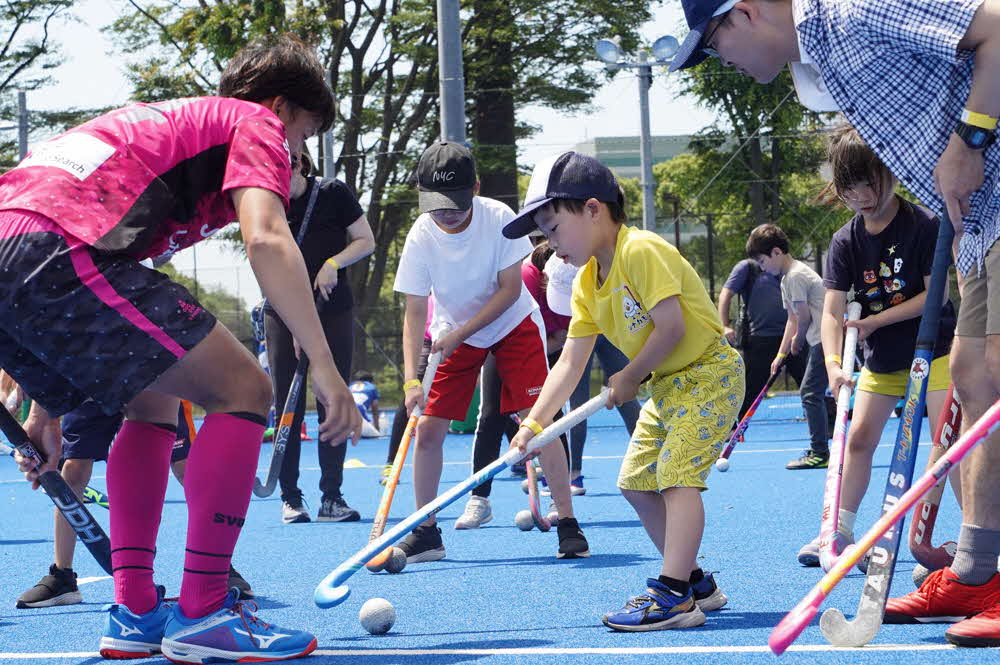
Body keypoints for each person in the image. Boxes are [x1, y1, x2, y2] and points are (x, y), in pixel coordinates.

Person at [1, 34, 360, 662]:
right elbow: (268, 240)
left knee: (152, 403)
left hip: (22, 244)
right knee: (245, 387)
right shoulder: (254, 121)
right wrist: (323, 364)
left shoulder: (173, 130)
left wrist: (44, 409)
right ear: (279, 107)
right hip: (53, 248)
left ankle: (136, 611)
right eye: (302, 136)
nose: (296, 155)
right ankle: (204, 611)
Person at [673, 0, 1000, 646]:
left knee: (989, 376)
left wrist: (972, 138)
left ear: (741, 14)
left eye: (714, 46)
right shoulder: (821, 61)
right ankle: (976, 568)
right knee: (973, 377)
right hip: (980, 222)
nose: (723, 64)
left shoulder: (851, 10)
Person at [505, 151, 744, 632]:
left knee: (677, 476)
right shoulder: (586, 284)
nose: (550, 246)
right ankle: (696, 582)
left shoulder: (641, 250)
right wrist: (534, 425)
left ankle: (673, 594)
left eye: (553, 230)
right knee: (635, 483)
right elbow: (570, 362)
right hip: (669, 388)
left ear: (593, 209)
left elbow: (671, 327)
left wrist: (630, 374)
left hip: (709, 374)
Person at [393, 140, 589, 562]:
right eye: (436, 203)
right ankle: (427, 532)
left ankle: (568, 521)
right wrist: (411, 379)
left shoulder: (499, 218)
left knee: (540, 422)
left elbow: (509, 291)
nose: (446, 212)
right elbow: (413, 310)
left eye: (456, 202)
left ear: (476, 187)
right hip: (453, 334)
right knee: (427, 430)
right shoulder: (421, 234)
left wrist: (461, 333)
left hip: (511, 324)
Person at [796, 124, 960, 566]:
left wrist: (872, 321)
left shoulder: (924, 224)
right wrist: (833, 365)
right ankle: (838, 530)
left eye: (871, 181)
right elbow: (831, 313)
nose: (863, 195)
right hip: (882, 361)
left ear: (890, 172)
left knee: (949, 444)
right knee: (858, 440)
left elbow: (936, 297)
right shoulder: (845, 241)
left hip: (937, 354)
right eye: (850, 187)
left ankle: (975, 541)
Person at [13, 398, 254, 608]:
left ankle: (218, 569)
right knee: (73, 470)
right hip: (91, 371)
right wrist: (40, 415)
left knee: (185, 468)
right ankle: (62, 576)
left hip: (147, 367)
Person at [262, 148, 374, 525]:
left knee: (333, 398)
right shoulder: (264, 202)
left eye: (285, 168)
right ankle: (290, 497)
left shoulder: (332, 193)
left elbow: (364, 239)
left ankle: (332, 496)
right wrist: (296, 323)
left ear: (301, 164)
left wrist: (332, 264)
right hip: (281, 311)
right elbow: (265, 265)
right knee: (287, 405)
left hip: (333, 309)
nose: (279, 179)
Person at [454, 239, 571, 530]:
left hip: (551, 346)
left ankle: (560, 500)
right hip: (504, 341)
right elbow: (516, 325)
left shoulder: (576, 282)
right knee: (491, 415)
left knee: (551, 416)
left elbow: (564, 336)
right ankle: (479, 499)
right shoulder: (528, 277)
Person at [544, 250, 641, 491]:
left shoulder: (601, 261)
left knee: (626, 398)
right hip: (584, 328)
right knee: (577, 405)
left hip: (603, 330)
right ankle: (573, 473)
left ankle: (652, 462)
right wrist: (533, 423)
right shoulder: (562, 259)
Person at [746, 224, 830, 469]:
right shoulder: (787, 279)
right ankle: (821, 448)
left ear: (776, 252)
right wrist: (780, 354)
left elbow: (802, 319)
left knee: (810, 392)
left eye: (762, 261)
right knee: (812, 392)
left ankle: (820, 452)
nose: (762, 268)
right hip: (818, 339)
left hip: (824, 339)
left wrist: (798, 340)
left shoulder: (795, 276)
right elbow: (792, 319)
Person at [719, 258, 806, 424]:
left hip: (793, 337)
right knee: (750, 388)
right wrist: (724, 325)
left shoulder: (790, 267)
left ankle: (826, 425)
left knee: (809, 384)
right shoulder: (748, 267)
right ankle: (735, 426)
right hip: (760, 339)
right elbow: (725, 294)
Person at [350, 370, 381, 436]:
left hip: (344, 414)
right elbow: (375, 411)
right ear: (370, 381)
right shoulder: (371, 387)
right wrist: (377, 428)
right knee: (375, 435)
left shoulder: (349, 386)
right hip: (359, 411)